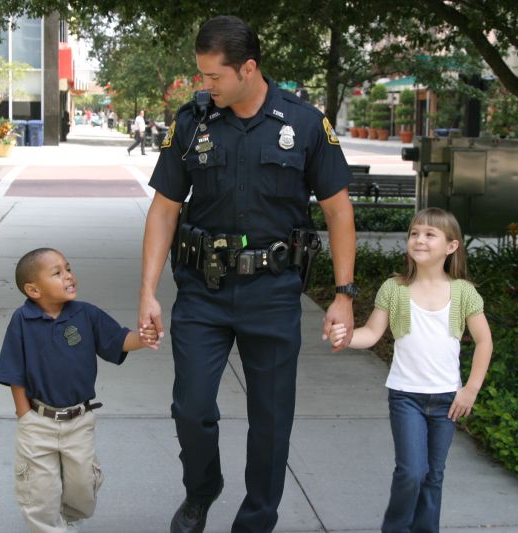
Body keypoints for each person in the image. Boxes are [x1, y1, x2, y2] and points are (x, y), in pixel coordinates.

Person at [139, 15, 356, 533]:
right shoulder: (190, 123)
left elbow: (338, 210)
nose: (204, 85)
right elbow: (165, 209)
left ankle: (256, 519)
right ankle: (202, 489)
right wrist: (147, 290)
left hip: (273, 293)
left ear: (248, 68)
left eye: (214, 76)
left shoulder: (303, 123)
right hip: (202, 291)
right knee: (190, 407)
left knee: (271, 420)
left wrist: (344, 293)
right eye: (202, 76)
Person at [328, 208, 493, 533]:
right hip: (406, 398)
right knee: (411, 471)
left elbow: (484, 342)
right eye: (414, 233)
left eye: (429, 234)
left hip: (447, 398)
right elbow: (372, 333)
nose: (419, 239)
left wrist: (470, 388)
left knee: (433, 475)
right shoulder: (395, 289)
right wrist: (346, 337)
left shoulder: (463, 292)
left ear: (451, 246)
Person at [0, 247, 157, 533]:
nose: (68, 276)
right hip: (38, 422)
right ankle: (49, 526)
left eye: (68, 268)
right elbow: (14, 371)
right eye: (57, 273)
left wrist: (142, 337)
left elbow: (118, 340)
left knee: (82, 488)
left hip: (79, 421)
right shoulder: (22, 320)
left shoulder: (86, 314)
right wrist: (24, 415)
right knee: (39, 492)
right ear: (33, 289)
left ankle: (69, 518)